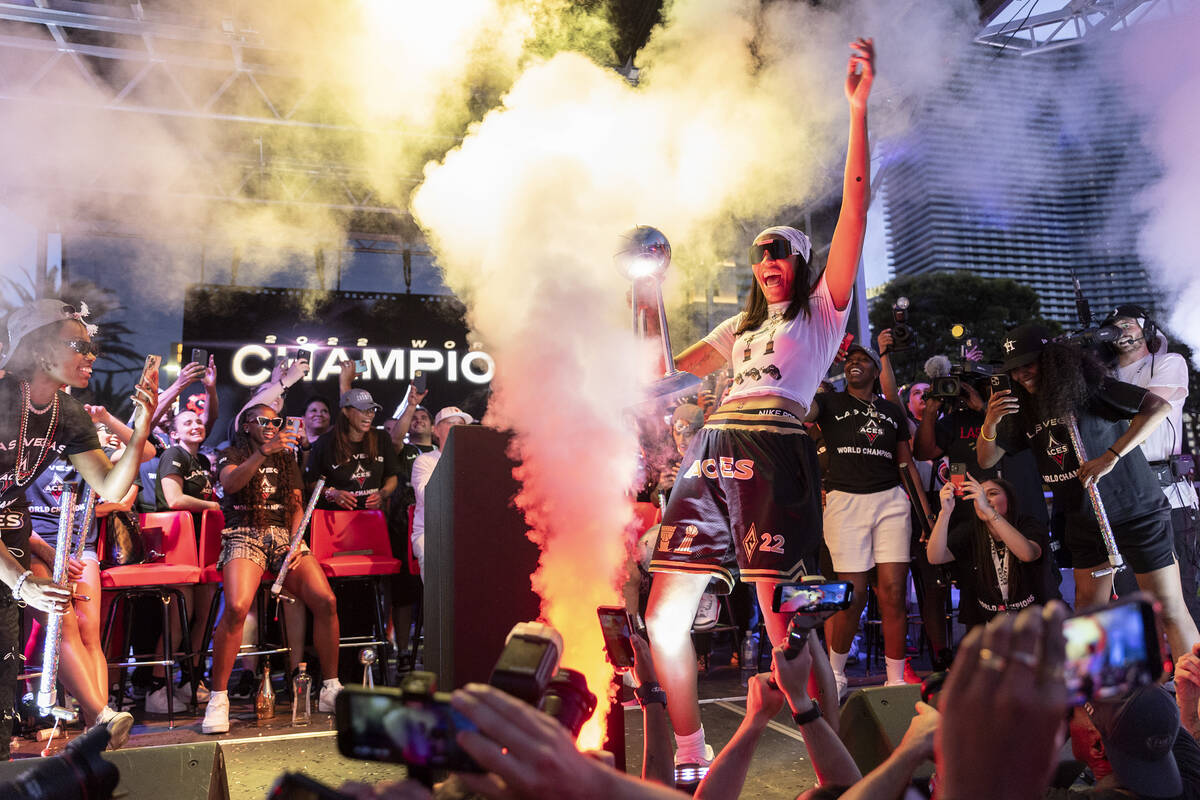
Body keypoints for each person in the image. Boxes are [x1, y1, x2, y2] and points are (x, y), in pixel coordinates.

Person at [643, 37, 874, 776]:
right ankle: (689, 752)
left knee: (787, 626)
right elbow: (665, 378)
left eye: (781, 253)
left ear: (800, 263)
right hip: (711, 454)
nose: (769, 263)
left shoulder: (821, 315)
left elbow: (857, 209)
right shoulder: (736, 328)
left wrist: (857, 109)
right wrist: (644, 297)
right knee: (661, 617)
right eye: (760, 255)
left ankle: (831, 768)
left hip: (776, 455)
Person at [977, 324, 1200, 660]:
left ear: (1051, 360)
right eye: (1014, 369)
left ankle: (1193, 701)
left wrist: (1110, 457)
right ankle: (1095, 701)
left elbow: (1157, 408)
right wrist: (990, 424)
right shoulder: (1022, 407)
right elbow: (986, 457)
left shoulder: (1090, 387)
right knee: (1088, 615)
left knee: (1168, 608)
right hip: (1083, 519)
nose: (1022, 374)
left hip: (1134, 510)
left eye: (1029, 364)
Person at [0, 298, 155, 755]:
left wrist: (142, 423)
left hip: (9, 544)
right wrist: (22, 580)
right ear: (41, 350)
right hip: (10, 564)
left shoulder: (66, 413)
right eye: (78, 345)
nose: (91, 356)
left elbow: (109, 484)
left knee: (3, 673)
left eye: (93, 347)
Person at [201, 404, 342, 734]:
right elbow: (231, 484)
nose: (271, 425)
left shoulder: (286, 457)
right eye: (263, 421)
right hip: (243, 533)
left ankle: (330, 687)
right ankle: (218, 698)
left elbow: (295, 503)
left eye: (276, 421)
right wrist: (262, 453)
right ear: (246, 424)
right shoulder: (230, 451)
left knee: (326, 600)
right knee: (236, 607)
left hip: (282, 536)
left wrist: (296, 541)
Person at [809, 343, 914, 693]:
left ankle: (896, 680)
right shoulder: (829, 402)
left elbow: (906, 464)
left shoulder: (891, 411)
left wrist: (927, 517)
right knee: (851, 594)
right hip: (844, 501)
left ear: (875, 370)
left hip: (891, 501)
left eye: (863, 359)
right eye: (850, 360)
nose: (855, 363)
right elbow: (803, 410)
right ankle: (837, 675)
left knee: (893, 592)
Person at [23, 427, 137, 735]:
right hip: (34, 546)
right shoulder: (21, 452)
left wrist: (128, 421)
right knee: (64, 626)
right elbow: (12, 518)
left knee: (89, 632)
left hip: (78, 549)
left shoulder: (84, 452)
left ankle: (97, 727)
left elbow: (146, 454)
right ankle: (101, 717)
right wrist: (51, 555)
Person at [1104, 304, 1200, 630]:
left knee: (1180, 594)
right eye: (1114, 326)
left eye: (1128, 323)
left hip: (1169, 498)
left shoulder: (1169, 363)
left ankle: (1190, 673)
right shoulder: (1105, 377)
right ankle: (1148, 677)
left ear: (1146, 328)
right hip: (1123, 500)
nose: (1121, 330)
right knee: (1130, 597)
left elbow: (1147, 406)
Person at [146, 408, 220, 713]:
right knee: (181, 615)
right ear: (173, 433)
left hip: (205, 546)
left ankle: (192, 678)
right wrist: (213, 504)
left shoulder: (200, 462)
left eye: (198, 421)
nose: (196, 424)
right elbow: (174, 499)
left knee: (205, 614)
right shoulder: (172, 453)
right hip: (178, 545)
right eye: (187, 422)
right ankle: (157, 686)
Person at [926, 475, 1049, 625]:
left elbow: (1028, 554)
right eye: (980, 496)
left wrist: (989, 511)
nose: (984, 499)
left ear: (1009, 501)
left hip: (1033, 622)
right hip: (989, 624)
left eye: (992, 494)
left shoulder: (1027, 524)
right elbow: (935, 557)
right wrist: (944, 513)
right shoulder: (970, 530)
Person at [411, 406, 473, 579]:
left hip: (466, 531)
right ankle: (438, 606)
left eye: (461, 424)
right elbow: (428, 496)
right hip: (431, 533)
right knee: (433, 555)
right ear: (436, 430)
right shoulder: (424, 461)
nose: (456, 428)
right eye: (450, 423)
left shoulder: (474, 462)